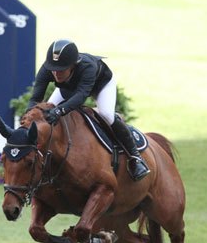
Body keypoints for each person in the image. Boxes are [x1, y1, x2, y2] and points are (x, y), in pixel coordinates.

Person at [28, 39, 150, 181]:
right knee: (47, 112)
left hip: (101, 85)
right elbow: (35, 98)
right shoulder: (48, 69)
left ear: (73, 65)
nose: (56, 73)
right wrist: (31, 116)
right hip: (69, 88)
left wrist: (59, 111)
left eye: (61, 69)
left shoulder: (88, 67)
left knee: (106, 114)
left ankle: (135, 158)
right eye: (53, 69)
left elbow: (81, 96)